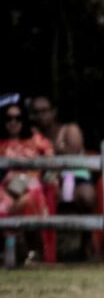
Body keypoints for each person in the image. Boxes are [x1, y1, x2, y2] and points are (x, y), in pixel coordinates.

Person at [0, 100, 53, 261]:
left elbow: (51, 164)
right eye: (8, 118)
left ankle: (32, 250)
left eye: (18, 118)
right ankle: (13, 250)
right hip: (4, 187)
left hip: (32, 185)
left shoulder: (36, 140)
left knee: (32, 194)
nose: (13, 122)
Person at [29, 95, 97, 219]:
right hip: (45, 180)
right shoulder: (31, 136)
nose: (40, 115)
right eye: (36, 112)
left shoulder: (70, 129)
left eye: (44, 111)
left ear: (53, 112)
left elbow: (72, 151)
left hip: (76, 176)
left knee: (86, 196)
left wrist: (45, 147)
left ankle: (87, 234)